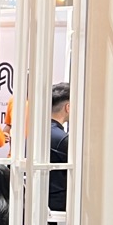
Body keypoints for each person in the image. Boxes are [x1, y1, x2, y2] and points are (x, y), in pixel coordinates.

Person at [48, 81, 70, 213]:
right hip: (59, 208)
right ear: (68, 107)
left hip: (41, 202)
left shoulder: (35, 133)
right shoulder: (62, 139)